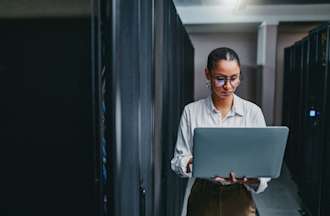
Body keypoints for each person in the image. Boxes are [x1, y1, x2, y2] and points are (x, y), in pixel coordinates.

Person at [171, 47, 271, 216]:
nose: (228, 86)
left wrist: (250, 178)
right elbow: (178, 161)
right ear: (207, 74)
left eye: (234, 78)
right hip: (203, 194)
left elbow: (263, 165)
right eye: (220, 79)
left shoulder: (252, 112)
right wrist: (196, 162)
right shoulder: (191, 111)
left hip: (239, 195)